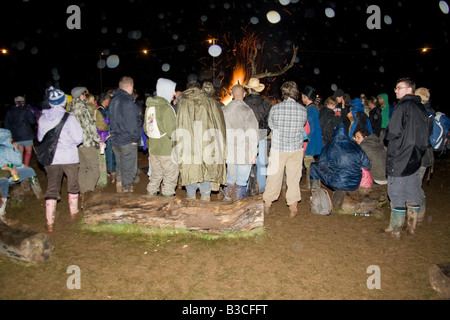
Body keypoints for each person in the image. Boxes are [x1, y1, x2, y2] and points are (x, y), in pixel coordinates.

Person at [380, 78, 433, 239]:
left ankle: (395, 229)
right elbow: (426, 134)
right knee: (411, 191)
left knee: (396, 192)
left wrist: (389, 136)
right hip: (416, 157)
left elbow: (393, 132)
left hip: (400, 156)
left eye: (398, 88)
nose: (395, 91)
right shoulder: (422, 108)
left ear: (408, 89)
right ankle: (411, 226)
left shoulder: (402, 106)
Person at [37, 88, 84, 232]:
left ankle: (49, 222)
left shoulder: (43, 118)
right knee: (73, 184)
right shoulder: (69, 118)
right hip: (69, 157)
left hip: (51, 158)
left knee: (52, 186)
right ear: (64, 102)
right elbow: (78, 138)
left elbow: (40, 138)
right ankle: (74, 213)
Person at [174, 81, 227, 201]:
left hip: (189, 147)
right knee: (205, 175)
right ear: (200, 90)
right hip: (207, 145)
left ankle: (191, 206)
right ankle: (204, 208)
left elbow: (178, 127)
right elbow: (220, 126)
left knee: (191, 174)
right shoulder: (212, 103)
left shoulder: (182, 104)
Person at [263, 81, 307, 218]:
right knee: (294, 178)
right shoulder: (302, 110)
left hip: (278, 148)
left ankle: (267, 204)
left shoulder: (276, 109)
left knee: (273, 177)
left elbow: (271, 125)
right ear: (296, 93)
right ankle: (293, 207)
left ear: (284, 93)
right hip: (295, 149)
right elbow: (302, 125)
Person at [67, 86, 104, 204]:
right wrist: (99, 140)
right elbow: (90, 126)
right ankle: (88, 194)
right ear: (82, 95)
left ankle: (83, 191)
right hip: (86, 142)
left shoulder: (70, 107)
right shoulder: (84, 107)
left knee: (82, 168)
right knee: (94, 169)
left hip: (76, 143)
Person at [222, 84, 259, 201]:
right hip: (244, 151)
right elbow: (253, 133)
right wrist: (254, 152)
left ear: (231, 95)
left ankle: (227, 202)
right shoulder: (247, 111)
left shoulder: (224, 110)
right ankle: (238, 205)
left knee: (230, 178)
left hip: (229, 151)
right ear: (244, 94)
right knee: (242, 180)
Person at [0, 128, 44, 225]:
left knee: (27, 169)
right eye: (10, 137)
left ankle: (34, 192)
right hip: (7, 176)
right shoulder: (7, 149)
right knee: (28, 171)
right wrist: (15, 150)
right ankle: (1, 215)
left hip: (7, 172)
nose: (12, 139)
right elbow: (18, 161)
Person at [309, 123, 371, 191]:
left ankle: (315, 189)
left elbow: (321, 163)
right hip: (355, 184)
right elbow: (367, 165)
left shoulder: (329, 146)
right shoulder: (355, 146)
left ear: (334, 133)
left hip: (337, 183)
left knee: (313, 166)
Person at [144, 78, 179, 197]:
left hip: (153, 149)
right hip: (166, 151)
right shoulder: (166, 108)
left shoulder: (149, 107)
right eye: (173, 90)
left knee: (154, 178)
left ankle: (150, 203)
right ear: (167, 91)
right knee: (169, 180)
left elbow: (145, 129)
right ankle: (166, 208)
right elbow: (172, 133)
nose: (174, 94)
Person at [109, 76, 142, 193]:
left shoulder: (113, 101)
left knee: (120, 165)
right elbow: (132, 123)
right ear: (131, 86)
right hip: (127, 140)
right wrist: (135, 138)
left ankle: (119, 183)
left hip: (115, 140)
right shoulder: (128, 102)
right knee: (129, 168)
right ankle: (126, 190)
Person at [243, 78, 272, 194]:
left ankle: (244, 189)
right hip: (262, 135)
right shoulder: (266, 103)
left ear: (249, 89)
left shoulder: (244, 102)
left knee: (246, 162)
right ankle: (262, 189)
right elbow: (269, 122)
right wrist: (264, 132)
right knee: (262, 163)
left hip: (247, 136)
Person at [414, 87, 435, 226]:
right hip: (426, 153)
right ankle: (417, 215)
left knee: (415, 186)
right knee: (416, 185)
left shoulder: (422, 113)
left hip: (420, 154)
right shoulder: (430, 113)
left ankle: (417, 216)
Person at [4, 96, 37, 167]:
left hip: (16, 135)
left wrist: (10, 136)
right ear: (23, 103)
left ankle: (20, 166)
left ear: (15, 103)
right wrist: (32, 113)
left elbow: (6, 125)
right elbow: (32, 121)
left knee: (20, 151)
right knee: (28, 151)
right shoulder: (26, 110)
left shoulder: (10, 112)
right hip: (26, 134)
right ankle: (26, 165)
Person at [301, 86, 322, 189]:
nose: (302, 98)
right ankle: (312, 183)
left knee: (308, 161)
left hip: (311, 138)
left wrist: (306, 138)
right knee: (310, 160)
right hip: (315, 137)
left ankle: (309, 184)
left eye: (302, 96)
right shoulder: (314, 107)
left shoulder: (310, 109)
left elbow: (310, 125)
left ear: (306, 97)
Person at [97, 92, 116, 184]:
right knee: (109, 155)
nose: (109, 101)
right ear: (104, 100)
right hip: (105, 136)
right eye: (108, 99)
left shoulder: (102, 110)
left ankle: (110, 173)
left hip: (104, 136)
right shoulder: (102, 111)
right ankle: (111, 174)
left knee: (107, 155)